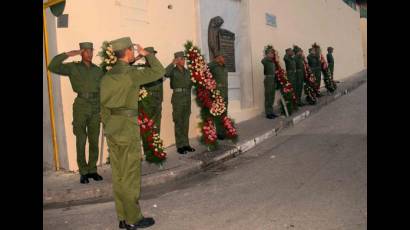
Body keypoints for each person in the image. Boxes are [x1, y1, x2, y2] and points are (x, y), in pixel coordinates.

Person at [100, 37, 165, 230]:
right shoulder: (130, 74)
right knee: (130, 176)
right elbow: (159, 71)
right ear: (128, 52)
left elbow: (102, 107)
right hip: (127, 131)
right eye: (132, 50)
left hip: (112, 129)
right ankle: (133, 219)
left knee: (119, 175)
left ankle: (122, 216)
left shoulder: (106, 77)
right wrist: (147, 54)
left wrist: (108, 125)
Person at [48, 42, 104, 184]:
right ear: (81, 52)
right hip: (80, 105)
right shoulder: (73, 67)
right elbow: (52, 66)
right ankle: (83, 171)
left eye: (91, 51)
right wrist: (68, 54)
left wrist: (103, 109)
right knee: (81, 139)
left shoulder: (98, 70)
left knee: (94, 139)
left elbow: (103, 91)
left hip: (96, 106)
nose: (90, 54)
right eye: (86, 51)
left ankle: (92, 169)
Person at [164, 51, 196, 154]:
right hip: (178, 98)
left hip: (187, 98)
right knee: (178, 121)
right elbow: (165, 73)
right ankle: (180, 145)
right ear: (177, 60)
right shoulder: (173, 71)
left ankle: (186, 144)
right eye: (181, 59)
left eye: (184, 59)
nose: (183, 61)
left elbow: (192, 82)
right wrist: (172, 63)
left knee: (185, 121)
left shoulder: (188, 72)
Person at [137, 47, 164, 151]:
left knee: (156, 127)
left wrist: (160, 101)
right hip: (146, 104)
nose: (152, 57)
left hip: (157, 103)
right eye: (149, 55)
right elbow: (127, 67)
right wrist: (137, 57)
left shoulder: (158, 69)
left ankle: (155, 149)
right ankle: (148, 151)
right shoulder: (141, 69)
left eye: (153, 55)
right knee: (146, 127)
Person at [208, 51, 228, 139]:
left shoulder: (224, 67)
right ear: (218, 58)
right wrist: (215, 61)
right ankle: (219, 133)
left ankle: (223, 131)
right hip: (218, 92)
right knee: (218, 113)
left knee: (224, 112)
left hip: (225, 91)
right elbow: (205, 69)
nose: (225, 59)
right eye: (223, 57)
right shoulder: (213, 66)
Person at [261, 46, 278, 119]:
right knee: (268, 96)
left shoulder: (272, 62)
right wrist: (266, 53)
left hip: (273, 79)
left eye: (273, 53)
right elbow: (262, 60)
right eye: (271, 53)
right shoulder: (265, 61)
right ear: (267, 54)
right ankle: (268, 113)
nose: (273, 54)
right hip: (268, 79)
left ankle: (271, 111)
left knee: (272, 96)